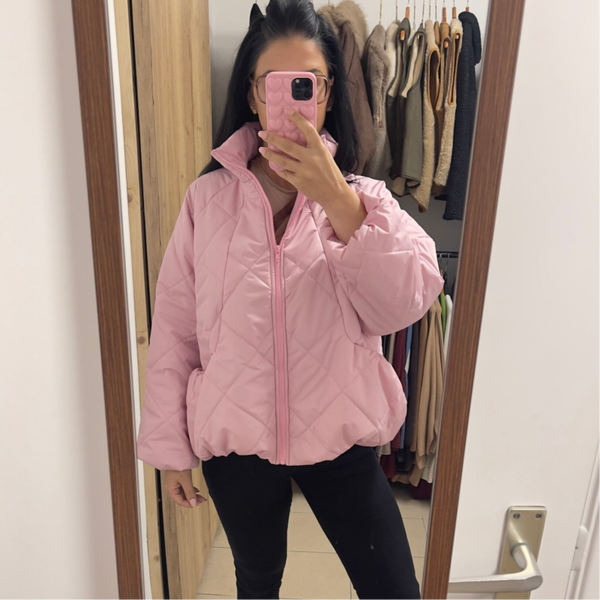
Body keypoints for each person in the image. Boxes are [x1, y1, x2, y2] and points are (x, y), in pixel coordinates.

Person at [136, 1, 444, 598]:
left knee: (394, 589)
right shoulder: (206, 201)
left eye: (309, 83)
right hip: (236, 444)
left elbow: (406, 302)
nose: (293, 98)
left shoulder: (365, 200)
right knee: (256, 582)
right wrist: (170, 448)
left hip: (341, 439)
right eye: (274, 83)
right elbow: (175, 330)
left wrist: (340, 203)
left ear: (327, 94)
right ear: (253, 95)